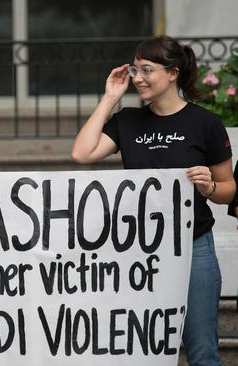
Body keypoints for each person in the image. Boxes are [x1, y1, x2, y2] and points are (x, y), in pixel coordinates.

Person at [71, 36, 235, 366]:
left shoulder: (205, 123)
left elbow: (229, 189)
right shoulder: (128, 121)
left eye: (147, 69)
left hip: (193, 248)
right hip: (138, 253)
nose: (137, 77)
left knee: (202, 350)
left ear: (173, 73)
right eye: (135, 69)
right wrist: (109, 99)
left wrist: (207, 188)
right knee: (142, 351)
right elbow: (81, 153)